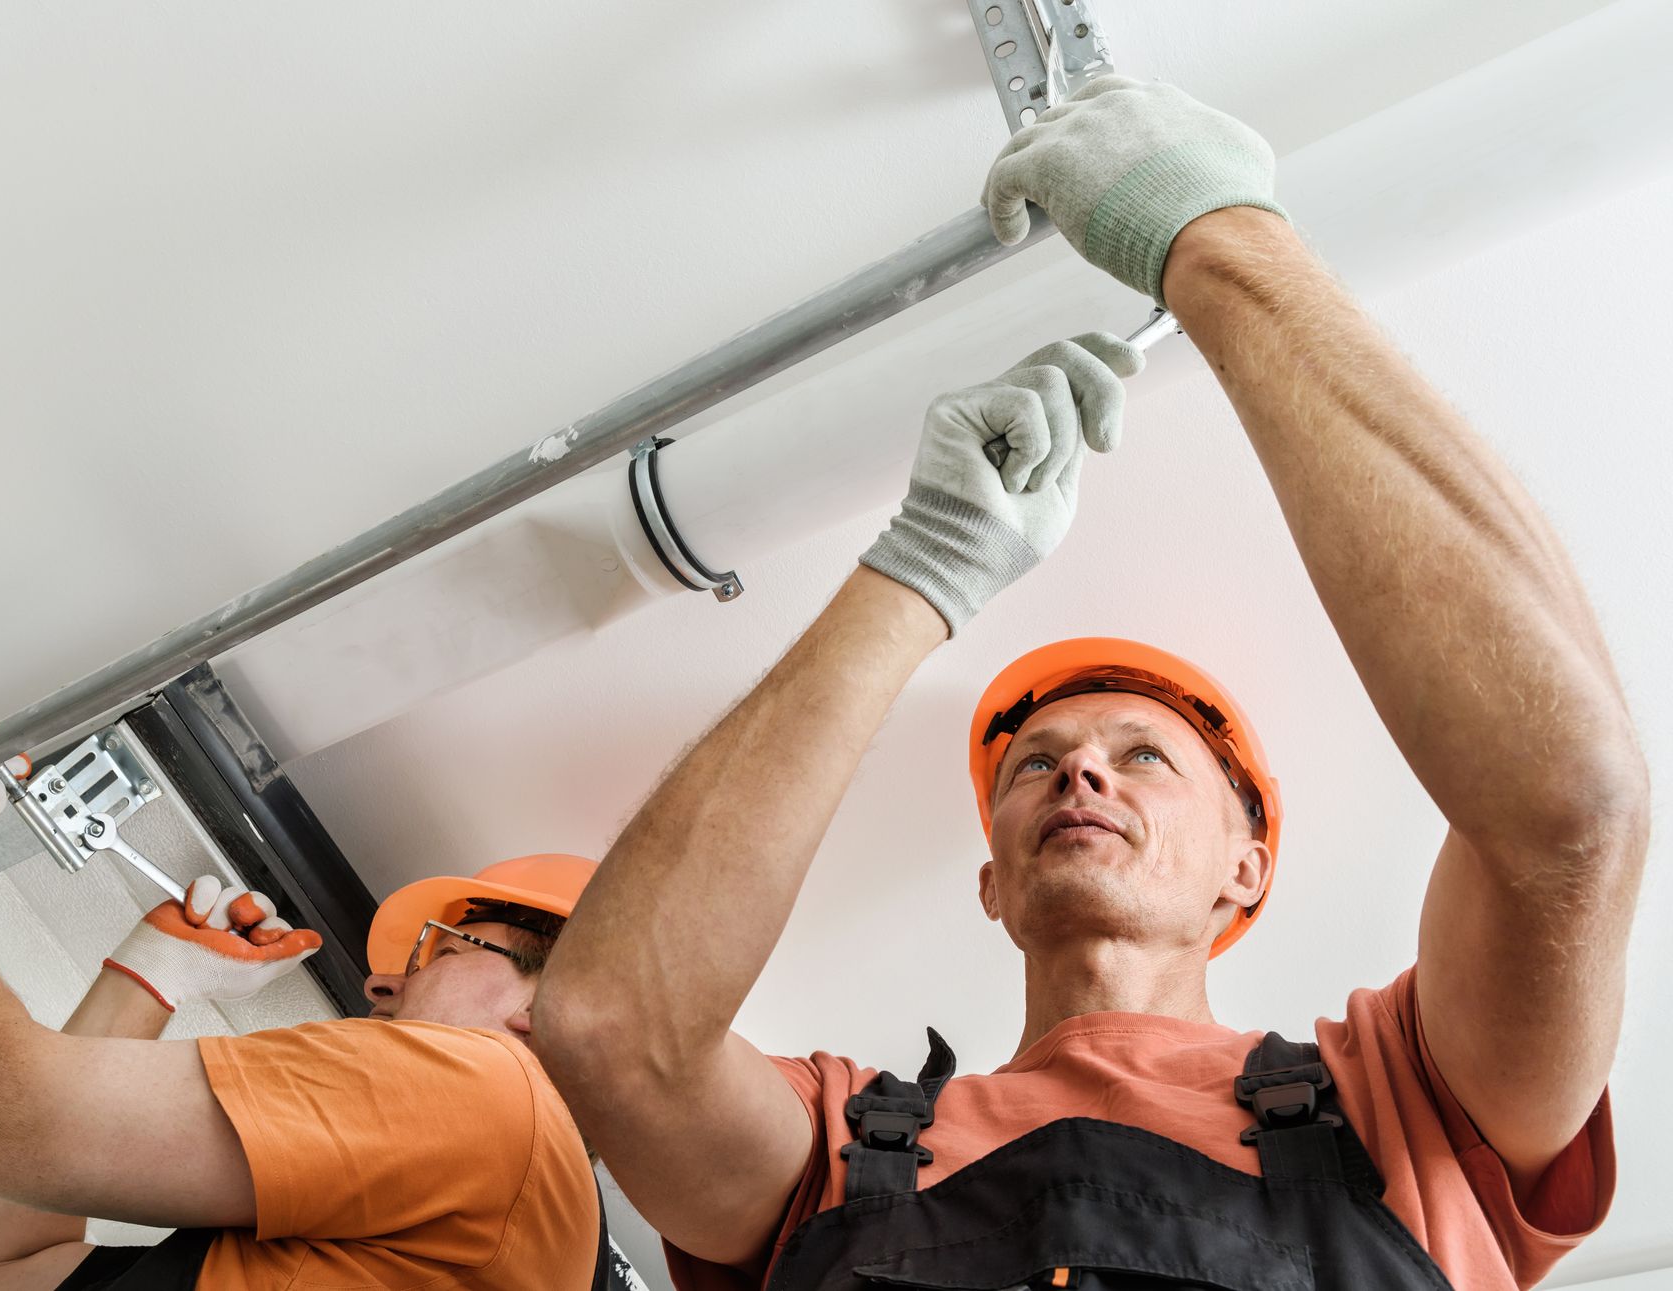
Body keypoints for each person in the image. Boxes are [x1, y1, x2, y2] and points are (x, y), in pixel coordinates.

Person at [534, 76, 1646, 1289]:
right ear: (992, 884)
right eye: (1033, 764)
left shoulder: (1404, 1100)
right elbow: (606, 1029)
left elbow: (1570, 811)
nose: (1080, 766)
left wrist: (1215, 239)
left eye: (1145, 752)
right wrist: (922, 566)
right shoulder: (841, 1149)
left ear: (1248, 865)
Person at [0, 699, 616, 1290]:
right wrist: (149, 978)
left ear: (549, 1016)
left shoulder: (495, 1101)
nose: (380, 982)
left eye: (440, 949)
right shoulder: (510, 1240)